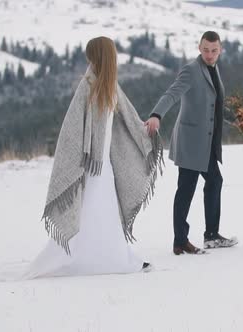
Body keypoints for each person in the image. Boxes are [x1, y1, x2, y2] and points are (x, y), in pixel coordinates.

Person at [23, 36, 163, 278]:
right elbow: (72, 128)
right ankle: (79, 259)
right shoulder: (87, 85)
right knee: (88, 212)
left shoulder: (110, 85)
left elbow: (128, 118)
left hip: (104, 166)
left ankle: (113, 258)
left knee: (106, 214)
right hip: (89, 166)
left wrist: (146, 130)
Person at [145, 31, 237, 255]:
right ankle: (180, 241)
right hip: (191, 141)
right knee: (186, 189)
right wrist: (157, 114)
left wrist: (239, 119)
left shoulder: (214, 70)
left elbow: (215, 106)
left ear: (220, 50)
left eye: (214, 50)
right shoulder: (191, 70)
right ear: (199, 47)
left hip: (207, 144)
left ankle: (211, 235)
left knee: (214, 181)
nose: (209, 54)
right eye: (205, 50)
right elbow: (172, 94)